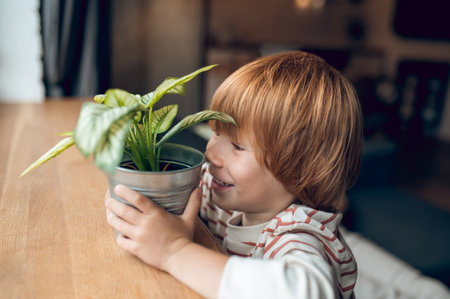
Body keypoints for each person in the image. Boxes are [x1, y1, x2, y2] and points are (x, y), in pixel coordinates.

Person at [105, 51, 363, 299]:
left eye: (237, 146)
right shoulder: (220, 192)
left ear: (301, 170)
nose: (211, 153)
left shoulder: (298, 235)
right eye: (216, 133)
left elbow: (304, 292)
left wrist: (175, 251)